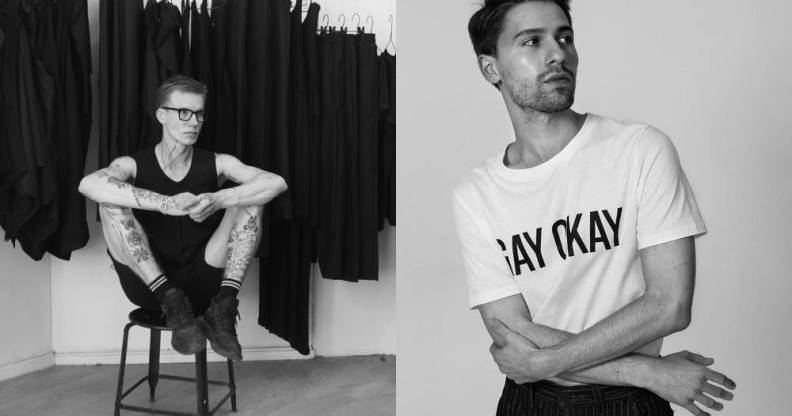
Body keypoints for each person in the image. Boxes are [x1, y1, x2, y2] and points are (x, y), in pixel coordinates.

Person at [452, 1, 736, 415]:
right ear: (490, 68)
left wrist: (546, 361)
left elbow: (669, 306)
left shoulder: (640, 150)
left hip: (630, 406)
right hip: (532, 402)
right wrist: (648, 373)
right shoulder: (476, 194)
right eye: (532, 41)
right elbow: (512, 337)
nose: (557, 54)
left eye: (564, 37)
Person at [79, 75, 287, 361]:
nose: (193, 122)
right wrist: (165, 204)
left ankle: (224, 308)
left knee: (253, 198)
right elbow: (88, 184)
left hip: (205, 281)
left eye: (199, 114)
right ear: (161, 115)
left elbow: (276, 183)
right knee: (109, 201)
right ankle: (172, 300)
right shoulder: (132, 164)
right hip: (150, 287)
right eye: (184, 113)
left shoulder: (218, 162)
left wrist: (218, 199)